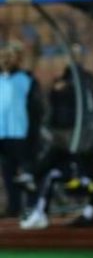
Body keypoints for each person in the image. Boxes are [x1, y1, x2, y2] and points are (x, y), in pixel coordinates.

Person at [1, 42, 43, 218]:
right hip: (2, 134)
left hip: (22, 134)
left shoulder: (27, 80)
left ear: (18, 59)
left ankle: (33, 205)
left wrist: (34, 133)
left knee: (28, 172)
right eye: (3, 57)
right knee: (7, 172)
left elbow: (36, 110)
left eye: (10, 57)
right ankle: (13, 206)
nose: (6, 60)